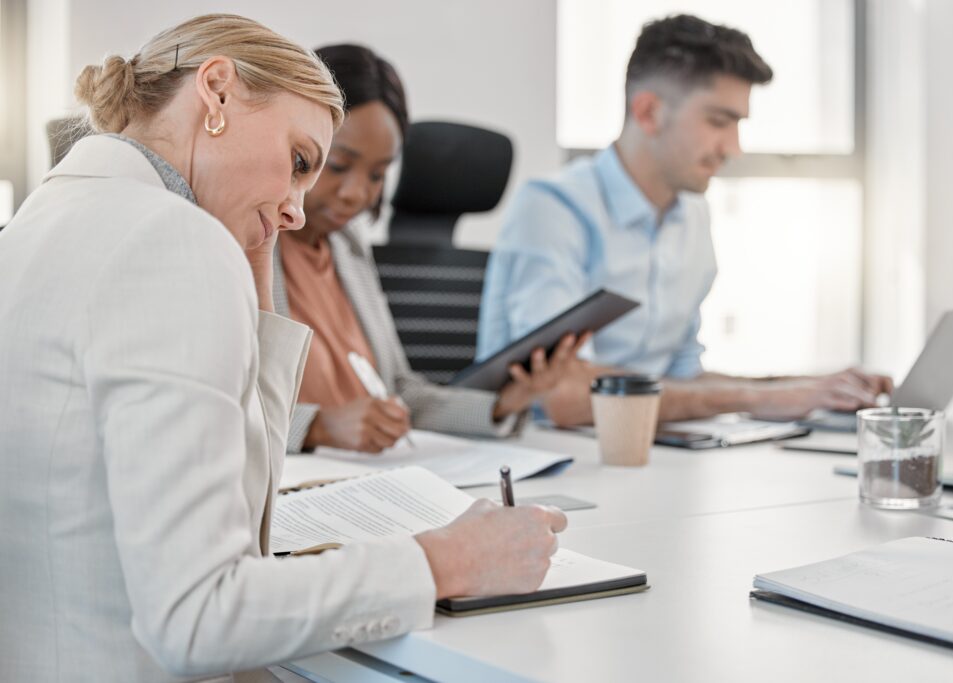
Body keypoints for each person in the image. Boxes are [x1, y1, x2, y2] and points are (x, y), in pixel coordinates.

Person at [0, 15, 566, 681]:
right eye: (300, 162)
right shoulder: (170, 241)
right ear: (216, 91)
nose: (298, 208)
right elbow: (200, 614)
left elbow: (242, 521)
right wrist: (448, 559)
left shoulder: (35, 226)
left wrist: (255, 272)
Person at [477, 14, 893, 427]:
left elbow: (684, 380)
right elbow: (561, 397)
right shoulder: (554, 210)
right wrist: (762, 397)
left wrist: (814, 386)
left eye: (738, 125)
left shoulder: (691, 215)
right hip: (551, 461)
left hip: (655, 455)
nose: (734, 148)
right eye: (718, 121)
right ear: (648, 113)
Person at [277, 43, 586, 454]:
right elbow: (224, 407)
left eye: (377, 174)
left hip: (376, 474)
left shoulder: (347, 247)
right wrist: (316, 427)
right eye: (338, 165)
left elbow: (402, 395)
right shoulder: (247, 243)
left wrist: (501, 406)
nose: (357, 194)